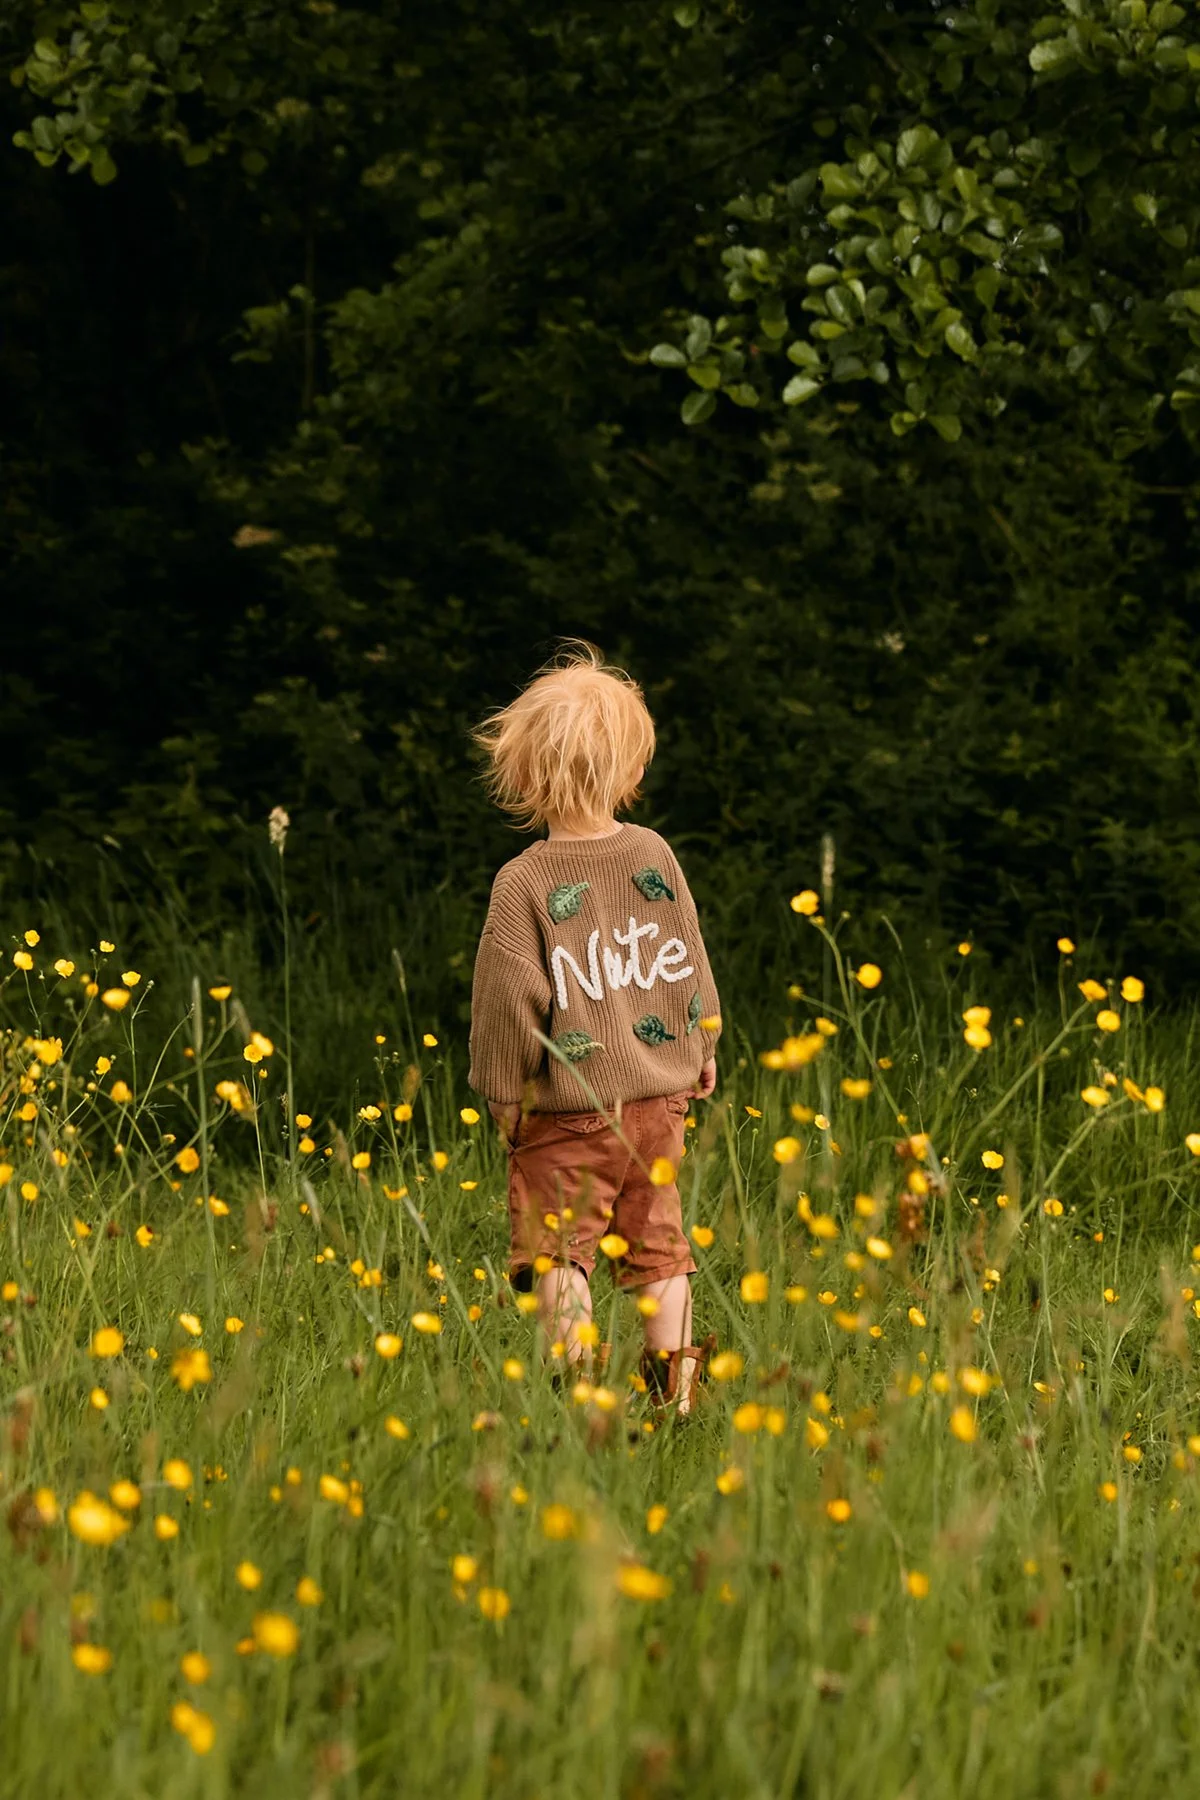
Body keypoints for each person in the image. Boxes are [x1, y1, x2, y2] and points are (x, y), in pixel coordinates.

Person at [468, 641, 721, 1414]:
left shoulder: (525, 880)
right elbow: (685, 954)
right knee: (659, 1249)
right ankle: (674, 1394)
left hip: (567, 1113)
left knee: (559, 1251)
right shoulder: (655, 854)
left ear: (522, 775)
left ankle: (577, 1392)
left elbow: (510, 998)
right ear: (630, 770)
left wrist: (502, 1090)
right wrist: (701, 1042)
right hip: (659, 1105)